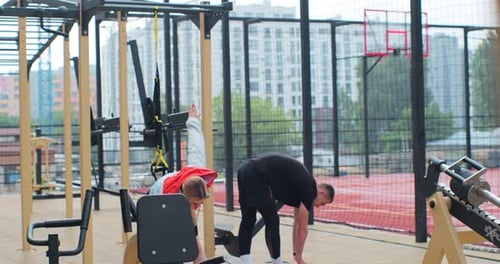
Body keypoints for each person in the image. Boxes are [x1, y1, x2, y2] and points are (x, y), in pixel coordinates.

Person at [148, 103, 217, 264]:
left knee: (191, 235)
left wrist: (192, 121)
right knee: (174, 238)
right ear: (186, 197)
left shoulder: (198, 170)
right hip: (158, 195)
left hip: (181, 187)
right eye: (195, 203)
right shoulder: (168, 195)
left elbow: (196, 147)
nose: (198, 205)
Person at [237, 152, 335, 264]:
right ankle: (277, 261)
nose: (317, 206)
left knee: (248, 219)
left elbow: (297, 223)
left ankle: (245, 261)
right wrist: (299, 259)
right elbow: (303, 229)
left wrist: (296, 254)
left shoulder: (303, 187)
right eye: (322, 203)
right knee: (272, 220)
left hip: (244, 169)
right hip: (257, 174)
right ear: (321, 192)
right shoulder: (310, 191)